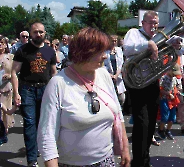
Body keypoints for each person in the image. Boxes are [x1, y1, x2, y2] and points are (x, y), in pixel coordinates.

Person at [37, 27, 131, 167]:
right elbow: (47, 135)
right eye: (100, 52)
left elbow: (117, 112)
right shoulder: (57, 84)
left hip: (106, 161)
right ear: (84, 53)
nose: (105, 56)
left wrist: (125, 149)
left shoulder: (103, 74)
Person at [122, 10, 183, 167]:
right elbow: (127, 48)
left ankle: (145, 159)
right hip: (137, 86)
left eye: (156, 23)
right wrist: (147, 44)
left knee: (150, 126)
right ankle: (139, 162)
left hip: (153, 85)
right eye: (151, 23)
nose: (154, 26)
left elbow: (177, 54)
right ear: (143, 23)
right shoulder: (134, 33)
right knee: (141, 125)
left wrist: (175, 45)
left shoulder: (158, 38)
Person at [10, 23, 57, 167]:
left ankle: (39, 149)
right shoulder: (22, 50)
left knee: (43, 123)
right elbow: (14, 72)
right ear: (31, 33)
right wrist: (16, 93)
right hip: (27, 90)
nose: (38, 34)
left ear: (45, 33)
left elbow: (54, 72)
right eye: (35, 32)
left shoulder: (50, 51)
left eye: (41, 32)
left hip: (45, 90)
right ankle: (32, 160)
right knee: (30, 123)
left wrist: (54, 91)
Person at [157, 64, 181, 140]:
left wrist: (177, 92)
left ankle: (168, 130)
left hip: (172, 100)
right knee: (165, 116)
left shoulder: (174, 79)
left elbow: (174, 87)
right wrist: (168, 94)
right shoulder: (164, 78)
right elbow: (160, 89)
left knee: (173, 117)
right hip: (164, 99)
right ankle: (160, 130)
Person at [104, 35, 126, 106]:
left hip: (118, 77)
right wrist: (111, 75)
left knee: (122, 98)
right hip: (109, 76)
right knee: (111, 97)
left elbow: (121, 64)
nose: (114, 42)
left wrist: (116, 75)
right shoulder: (104, 51)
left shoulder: (119, 50)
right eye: (112, 41)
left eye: (115, 41)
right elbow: (103, 65)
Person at [0, 35, 15, 133]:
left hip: (6, 87)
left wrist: (9, 75)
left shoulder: (11, 57)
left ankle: (5, 129)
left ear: (6, 45)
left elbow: (16, 71)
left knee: (6, 110)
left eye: (2, 43)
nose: (0, 45)